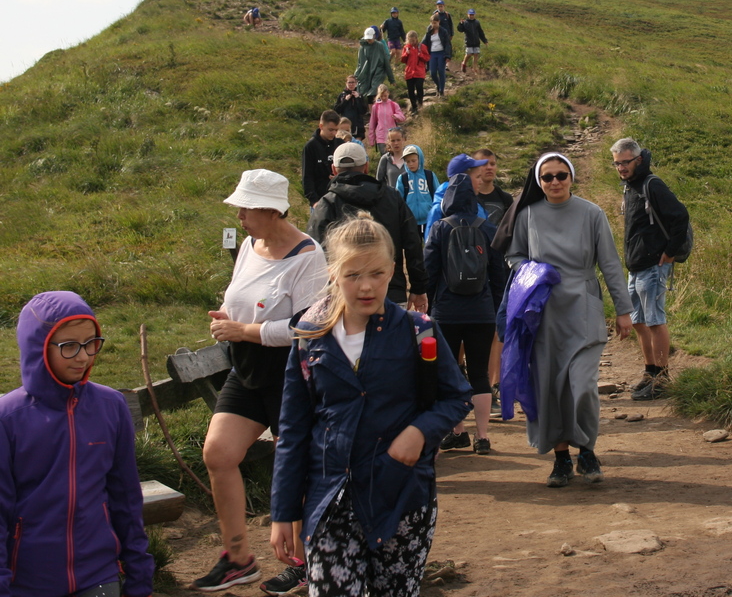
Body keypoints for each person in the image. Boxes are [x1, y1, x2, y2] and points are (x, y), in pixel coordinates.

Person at [270, 215, 471, 597]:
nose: (366, 286)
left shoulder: (419, 330)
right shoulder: (309, 338)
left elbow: (457, 396)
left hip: (401, 496)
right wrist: (283, 512)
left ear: (393, 270)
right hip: (329, 498)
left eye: (377, 273)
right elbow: (292, 429)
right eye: (352, 275)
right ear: (332, 272)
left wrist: (418, 434)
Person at [193, 170, 329, 593]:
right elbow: (239, 294)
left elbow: (306, 327)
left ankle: (309, 563)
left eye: (246, 208)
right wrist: (226, 317)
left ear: (273, 211)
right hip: (247, 367)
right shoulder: (251, 245)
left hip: (290, 373)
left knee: (298, 468)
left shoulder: (308, 256)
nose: (240, 215)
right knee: (218, 453)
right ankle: (238, 558)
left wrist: (244, 331)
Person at [0, 291, 155, 597]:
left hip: (98, 575)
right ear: (38, 348)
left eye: (91, 343)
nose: (84, 356)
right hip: (27, 582)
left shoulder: (111, 406)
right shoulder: (9, 418)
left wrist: (139, 576)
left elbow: (126, 498)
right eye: (69, 346)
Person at [499, 153, 633, 487]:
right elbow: (514, 255)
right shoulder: (528, 215)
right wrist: (533, 272)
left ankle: (586, 448)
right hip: (543, 312)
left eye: (561, 175)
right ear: (538, 181)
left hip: (583, 308)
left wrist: (623, 309)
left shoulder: (592, 214)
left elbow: (611, 264)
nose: (555, 182)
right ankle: (561, 459)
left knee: (582, 384)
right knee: (549, 387)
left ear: (571, 177)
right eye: (547, 177)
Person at [424, 174, 508, 454]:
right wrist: (495, 309)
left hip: (446, 313)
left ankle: (458, 431)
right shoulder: (488, 228)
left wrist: (432, 306)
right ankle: (482, 436)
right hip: (481, 312)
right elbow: (499, 276)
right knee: (479, 374)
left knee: (450, 373)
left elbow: (430, 272)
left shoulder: (439, 228)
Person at [610, 140, 690, 401]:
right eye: (617, 163)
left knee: (655, 320)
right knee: (639, 322)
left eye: (625, 162)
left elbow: (680, 216)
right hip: (637, 266)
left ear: (638, 160)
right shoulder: (631, 187)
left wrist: (668, 253)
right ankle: (650, 372)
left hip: (653, 266)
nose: (621, 167)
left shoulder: (651, 185)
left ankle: (662, 378)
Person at [308, 142, 429, 312]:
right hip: (390, 291)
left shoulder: (327, 204)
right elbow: (413, 243)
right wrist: (418, 287)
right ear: (366, 167)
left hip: (345, 299)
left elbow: (315, 257)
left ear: (334, 170)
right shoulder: (393, 198)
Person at [472, 148, 512, 413]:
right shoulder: (465, 197)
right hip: (470, 271)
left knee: (498, 329)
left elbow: (513, 233)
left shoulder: (505, 199)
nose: (489, 168)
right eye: (484, 164)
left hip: (500, 270)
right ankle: (470, 385)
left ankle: (493, 386)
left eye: (493, 163)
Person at [424, 154, 488, 240]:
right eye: (478, 177)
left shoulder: (477, 203)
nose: (481, 181)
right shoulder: (439, 210)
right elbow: (430, 246)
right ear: (462, 179)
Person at [301, 110, 341, 209]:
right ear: (321, 126)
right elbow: (307, 176)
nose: (334, 133)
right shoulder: (310, 147)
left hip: (339, 199)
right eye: (331, 130)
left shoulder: (340, 144)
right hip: (320, 200)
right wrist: (314, 201)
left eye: (336, 130)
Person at [398, 145, 439, 236]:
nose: (411, 164)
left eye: (413, 161)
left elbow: (438, 195)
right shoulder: (402, 178)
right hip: (410, 220)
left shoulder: (430, 175)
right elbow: (398, 200)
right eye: (407, 161)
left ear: (419, 159)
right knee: (414, 247)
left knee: (430, 245)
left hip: (429, 218)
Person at [354, 27, 395, 106]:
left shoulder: (379, 46)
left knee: (373, 91)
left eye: (370, 38)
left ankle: (374, 111)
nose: (369, 40)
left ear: (374, 36)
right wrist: (356, 75)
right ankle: (369, 111)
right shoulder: (362, 47)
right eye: (367, 39)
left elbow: (386, 62)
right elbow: (359, 63)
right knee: (362, 90)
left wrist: (391, 79)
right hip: (365, 72)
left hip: (378, 72)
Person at [365, 83, 405, 156]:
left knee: (394, 155)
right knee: (384, 156)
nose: (383, 98)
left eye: (385, 96)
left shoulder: (394, 105)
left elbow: (402, 117)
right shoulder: (375, 107)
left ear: (388, 93)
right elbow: (372, 123)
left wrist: (396, 116)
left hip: (393, 136)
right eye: (381, 96)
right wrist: (371, 139)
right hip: (381, 136)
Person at [422, 15, 452, 98]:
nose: (433, 25)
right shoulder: (429, 31)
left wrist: (447, 55)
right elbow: (424, 41)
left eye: (435, 23)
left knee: (441, 71)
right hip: (432, 53)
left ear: (439, 22)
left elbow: (447, 44)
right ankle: (438, 85)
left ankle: (441, 90)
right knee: (433, 73)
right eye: (432, 23)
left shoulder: (443, 31)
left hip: (441, 53)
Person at [400, 30, 429, 113]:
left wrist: (421, 55)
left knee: (419, 87)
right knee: (410, 90)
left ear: (416, 39)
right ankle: (414, 106)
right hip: (409, 72)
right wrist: (406, 54)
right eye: (410, 40)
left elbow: (427, 58)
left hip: (419, 71)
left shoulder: (422, 47)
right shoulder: (406, 47)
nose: (412, 42)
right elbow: (402, 60)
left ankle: (420, 103)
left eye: (413, 40)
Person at [334, 74, 367, 140]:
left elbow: (363, 111)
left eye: (353, 82)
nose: (351, 84)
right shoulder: (342, 96)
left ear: (356, 83)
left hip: (357, 126)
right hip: (345, 125)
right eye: (349, 82)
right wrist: (345, 101)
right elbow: (336, 110)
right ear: (346, 83)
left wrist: (358, 98)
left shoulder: (360, 96)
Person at [457, 8, 488, 75]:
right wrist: (461, 24)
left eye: (472, 15)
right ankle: (464, 63)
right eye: (470, 14)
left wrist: (484, 40)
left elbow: (480, 32)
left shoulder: (477, 22)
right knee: (469, 54)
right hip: (469, 42)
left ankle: (474, 68)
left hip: (476, 41)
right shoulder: (465, 22)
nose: (471, 16)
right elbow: (460, 30)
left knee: (476, 55)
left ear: (474, 15)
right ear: (468, 15)